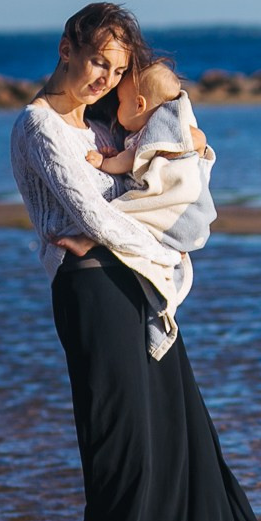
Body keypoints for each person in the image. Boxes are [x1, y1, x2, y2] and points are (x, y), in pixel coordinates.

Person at [9, 2, 261, 521]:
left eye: (116, 68)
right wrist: (151, 246)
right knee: (116, 455)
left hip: (136, 291)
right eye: (97, 59)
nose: (103, 78)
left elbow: (167, 165)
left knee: (169, 441)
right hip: (93, 296)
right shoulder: (39, 126)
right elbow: (90, 213)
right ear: (67, 45)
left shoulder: (97, 122)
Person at [85, 60, 217, 360]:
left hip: (180, 212)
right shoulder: (156, 131)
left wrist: (103, 163)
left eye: (119, 103)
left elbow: (131, 160)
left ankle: (88, 240)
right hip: (187, 224)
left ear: (139, 103)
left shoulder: (158, 134)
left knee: (114, 219)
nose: (116, 111)